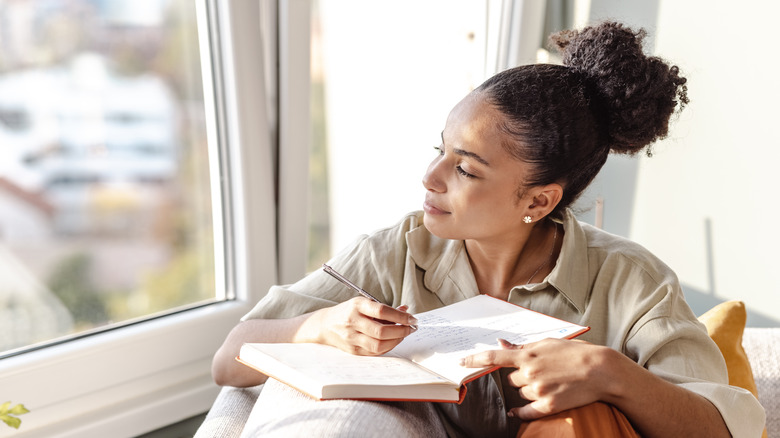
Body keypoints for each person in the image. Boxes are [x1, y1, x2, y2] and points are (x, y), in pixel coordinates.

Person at [211, 21, 765, 438]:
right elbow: (229, 357)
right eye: (439, 149)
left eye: (466, 168)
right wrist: (321, 326)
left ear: (539, 199)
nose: (430, 177)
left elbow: (723, 424)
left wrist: (610, 373)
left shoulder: (630, 281)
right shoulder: (392, 253)